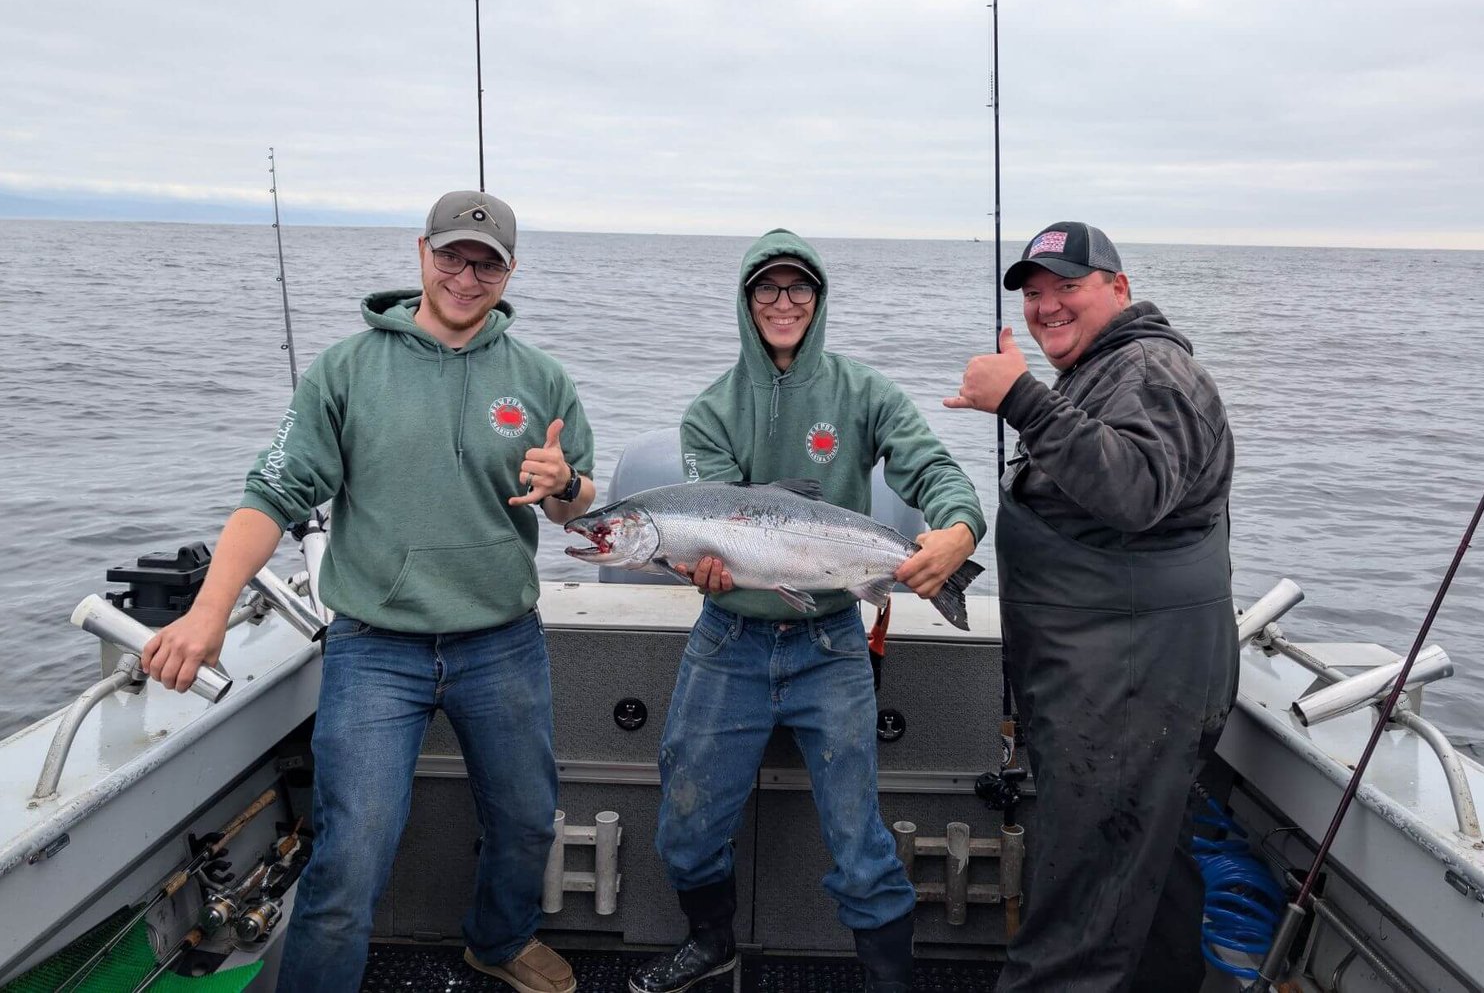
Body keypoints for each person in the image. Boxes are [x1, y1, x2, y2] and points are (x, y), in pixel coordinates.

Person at [141, 191, 596, 993]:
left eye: (486, 261)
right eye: (452, 254)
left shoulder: (540, 377)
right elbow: (270, 496)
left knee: (527, 823)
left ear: (510, 271)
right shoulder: (346, 369)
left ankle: (498, 938)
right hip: (375, 646)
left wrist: (568, 485)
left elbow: (573, 504)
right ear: (421, 252)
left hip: (502, 642)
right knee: (352, 855)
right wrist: (207, 612)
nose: (466, 274)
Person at [629, 229, 987, 993]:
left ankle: (888, 980)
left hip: (831, 643)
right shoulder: (711, 412)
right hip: (730, 641)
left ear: (819, 300)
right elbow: (716, 520)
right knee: (685, 826)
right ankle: (713, 943)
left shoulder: (865, 392)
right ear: (746, 300)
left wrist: (957, 526)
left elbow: (933, 466)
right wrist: (712, 571)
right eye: (768, 288)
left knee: (859, 839)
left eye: (799, 289)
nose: (783, 302)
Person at [945, 221, 1238, 992]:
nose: (1047, 307)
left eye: (1067, 286)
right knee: (1146, 881)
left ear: (1120, 287)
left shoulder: (1150, 369)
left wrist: (1021, 400)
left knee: (1079, 912)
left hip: (1131, 687)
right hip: (1121, 680)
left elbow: (1135, 487)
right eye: (1034, 293)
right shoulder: (1106, 371)